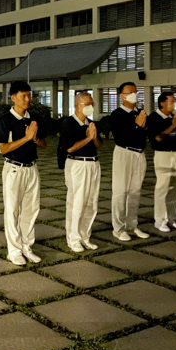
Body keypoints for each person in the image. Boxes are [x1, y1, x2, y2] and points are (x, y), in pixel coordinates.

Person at [0, 81, 47, 265]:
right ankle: (14, 250)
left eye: (29, 95)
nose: (27, 99)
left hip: (32, 168)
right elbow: (2, 148)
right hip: (14, 168)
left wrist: (34, 139)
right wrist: (25, 138)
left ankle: (27, 246)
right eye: (23, 96)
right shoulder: (5, 120)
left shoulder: (33, 119)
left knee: (31, 209)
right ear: (13, 97)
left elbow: (43, 143)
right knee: (12, 210)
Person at [60, 91, 102, 253]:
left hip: (93, 164)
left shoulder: (90, 123)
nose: (91, 107)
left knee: (91, 203)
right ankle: (74, 238)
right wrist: (88, 138)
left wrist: (94, 137)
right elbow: (70, 147)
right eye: (88, 104)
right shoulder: (68, 124)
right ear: (78, 105)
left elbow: (99, 145)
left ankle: (85, 236)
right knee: (77, 202)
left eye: (92, 104)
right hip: (77, 164)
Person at [110, 82, 150, 241]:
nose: (134, 94)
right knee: (121, 192)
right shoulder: (117, 114)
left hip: (139, 154)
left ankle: (132, 225)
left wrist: (140, 125)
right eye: (130, 92)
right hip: (124, 153)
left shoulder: (140, 112)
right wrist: (136, 126)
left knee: (135, 192)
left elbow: (143, 134)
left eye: (135, 91)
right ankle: (118, 228)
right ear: (122, 96)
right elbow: (121, 136)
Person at [147, 92, 176, 233]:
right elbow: (158, 138)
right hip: (163, 155)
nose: (173, 104)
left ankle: (171, 218)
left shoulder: (172, 117)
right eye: (171, 101)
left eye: (175, 101)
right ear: (162, 103)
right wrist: (173, 125)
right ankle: (160, 220)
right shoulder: (154, 118)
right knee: (163, 187)